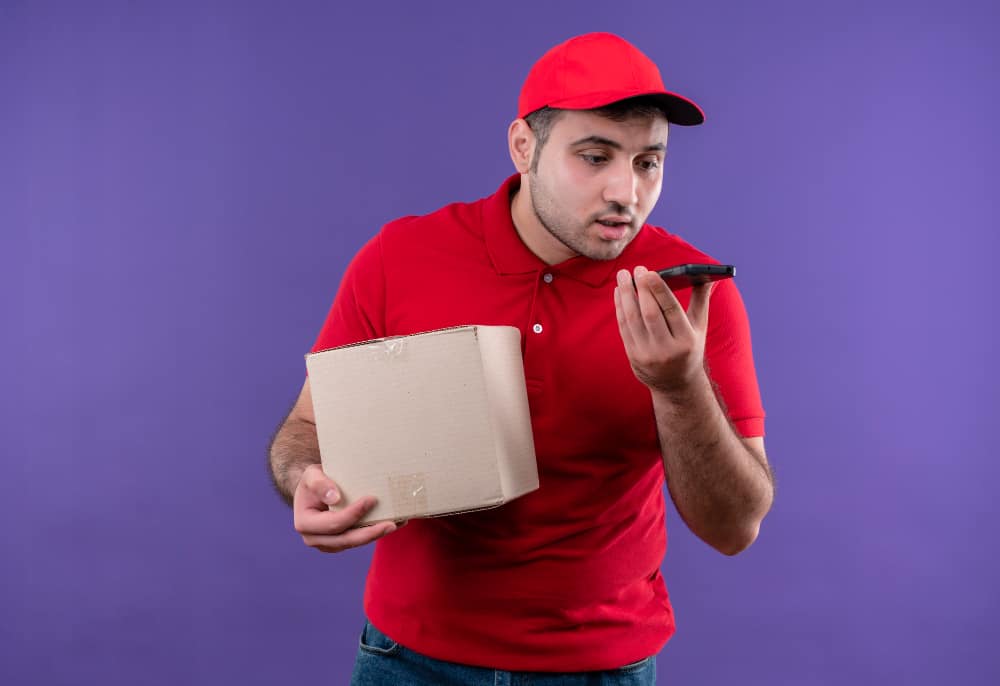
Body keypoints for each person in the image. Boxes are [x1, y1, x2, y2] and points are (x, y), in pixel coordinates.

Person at [268, 31, 774, 686]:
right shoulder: (401, 258)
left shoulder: (692, 294)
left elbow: (735, 527)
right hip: (408, 660)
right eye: (595, 157)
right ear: (523, 147)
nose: (626, 190)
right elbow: (307, 429)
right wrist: (306, 479)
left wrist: (679, 387)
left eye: (649, 162)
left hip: (602, 668)